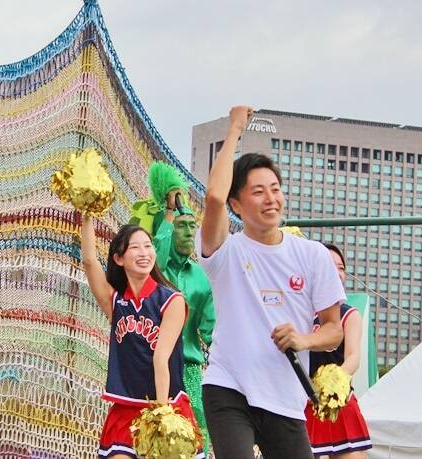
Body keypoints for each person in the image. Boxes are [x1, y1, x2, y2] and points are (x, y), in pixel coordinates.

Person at [199, 106, 345, 459]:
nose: (270, 199)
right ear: (237, 204)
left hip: (284, 395)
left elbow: (334, 331)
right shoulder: (225, 251)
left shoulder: (312, 254)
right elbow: (214, 197)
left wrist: (303, 339)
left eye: (275, 189)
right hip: (228, 386)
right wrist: (235, 128)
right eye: (258, 192)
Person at [80, 216, 204, 459]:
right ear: (119, 258)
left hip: (166, 405)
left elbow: (161, 358)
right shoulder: (116, 302)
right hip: (127, 408)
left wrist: (162, 417)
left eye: (148, 246)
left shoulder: (171, 300)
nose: (144, 252)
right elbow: (89, 261)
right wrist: (87, 213)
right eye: (135, 247)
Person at [153, 189, 215, 437]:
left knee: (197, 431)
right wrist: (169, 212)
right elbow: (156, 260)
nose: (190, 232)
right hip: (149, 363)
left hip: (189, 368)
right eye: (182, 226)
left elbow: (212, 331)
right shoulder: (153, 269)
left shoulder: (201, 277)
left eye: (192, 226)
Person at [305, 244, 371, 458]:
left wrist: (334, 382)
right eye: (330, 265)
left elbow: (353, 357)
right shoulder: (299, 313)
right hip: (302, 403)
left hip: (339, 402)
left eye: (341, 268)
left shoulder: (349, 314)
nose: (337, 272)